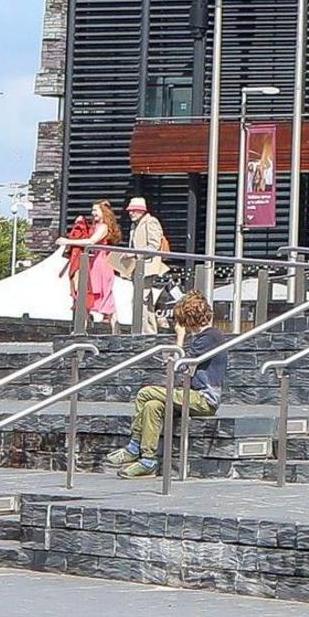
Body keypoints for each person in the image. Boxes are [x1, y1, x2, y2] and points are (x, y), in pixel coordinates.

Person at [126, 293, 233, 475]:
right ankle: (147, 460)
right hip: (191, 396)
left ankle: (134, 445)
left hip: (204, 399)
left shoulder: (210, 337)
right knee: (152, 406)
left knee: (145, 393)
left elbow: (181, 364)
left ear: (188, 320)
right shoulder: (205, 338)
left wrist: (180, 338)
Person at [67, 201, 121, 328]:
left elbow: (91, 241)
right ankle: (84, 327)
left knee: (104, 296)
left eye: (96, 210)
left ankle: (114, 329)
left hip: (101, 265)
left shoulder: (103, 227)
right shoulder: (97, 226)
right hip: (95, 264)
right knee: (89, 294)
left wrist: (67, 241)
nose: (93, 213)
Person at [121, 197, 172, 332]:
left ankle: (141, 332)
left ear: (142, 211)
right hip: (138, 267)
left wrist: (134, 254)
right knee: (146, 301)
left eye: (134, 211)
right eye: (130, 211)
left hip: (148, 266)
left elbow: (154, 245)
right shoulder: (135, 225)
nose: (131, 213)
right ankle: (149, 331)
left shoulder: (151, 222)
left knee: (139, 300)